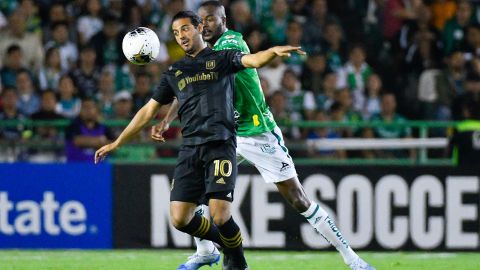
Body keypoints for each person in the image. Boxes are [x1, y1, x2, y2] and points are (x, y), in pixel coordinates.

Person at [151, 2, 375, 270]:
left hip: (258, 132)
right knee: (195, 190)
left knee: (298, 198)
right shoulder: (202, 55)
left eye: (211, 19)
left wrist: (269, 52)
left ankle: (352, 258)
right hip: (226, 134)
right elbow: (191, 83)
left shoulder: (232, 41)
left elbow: (206, 69)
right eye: (202, 20)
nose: (206, 25)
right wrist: (166, 118)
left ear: (224, 20)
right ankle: (206, 250)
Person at [94, 10, 304, 270]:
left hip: (221, 145)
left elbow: (253, 60)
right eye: (175, 33)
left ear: (198, 27)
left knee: (220, 215)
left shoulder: (222, 58)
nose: (180, 36)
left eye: (184, 29)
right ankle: (224, 247)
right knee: (180, 219)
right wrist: (117, 143)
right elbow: (148, 111)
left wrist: (272, 51)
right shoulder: (175, 71)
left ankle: (237, 262)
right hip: (190, 149)